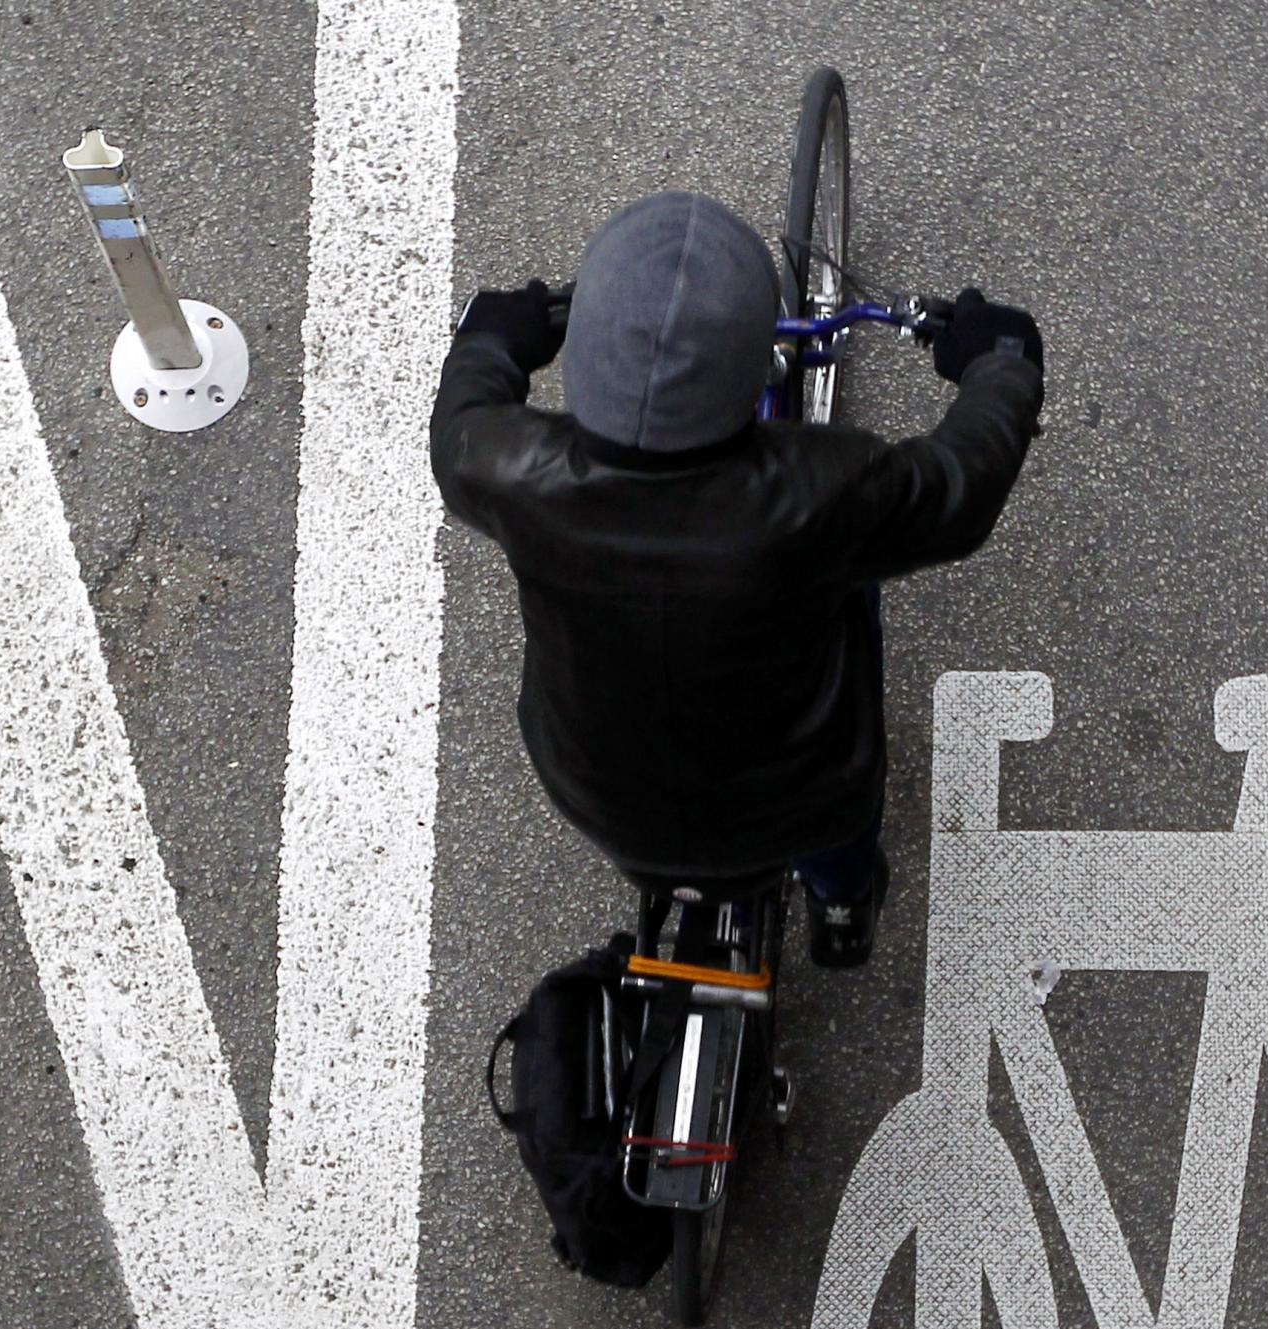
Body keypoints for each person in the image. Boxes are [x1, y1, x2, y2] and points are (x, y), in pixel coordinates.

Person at [427, 189, 1043, 967]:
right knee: (856, 596)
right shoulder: (827, 492)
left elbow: (458, 420)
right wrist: (1003, 367)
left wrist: (491, 341)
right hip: (800, 802)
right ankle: (843, 900)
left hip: (596, 795)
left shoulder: (505, 468)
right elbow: (962, 482)